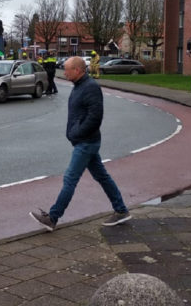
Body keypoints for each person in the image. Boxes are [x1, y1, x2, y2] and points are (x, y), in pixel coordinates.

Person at [30, 56, 131, 231]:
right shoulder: (79, 86)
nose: (64, 73)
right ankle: (121, 210)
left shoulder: (90, 87)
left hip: (86, 142)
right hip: (86, 141)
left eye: (67, 70)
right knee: (102, 177)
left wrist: (77, 133)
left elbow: (95, 117)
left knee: (70, 179)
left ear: (77, 70)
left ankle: (52, 217)